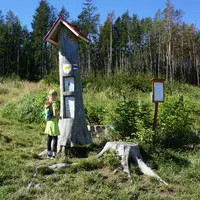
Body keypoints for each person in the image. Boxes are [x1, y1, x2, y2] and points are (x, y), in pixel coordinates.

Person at [44, 90, 61, 159]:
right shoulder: (54, 103)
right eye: (55, 96)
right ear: (55, 96)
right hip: (53, 122)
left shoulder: (47, 103)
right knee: (55, 138)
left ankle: (48, 154)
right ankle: (54, 154)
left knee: (49, 138)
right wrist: (59, 117)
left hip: (48, 122)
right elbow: (55, 114)